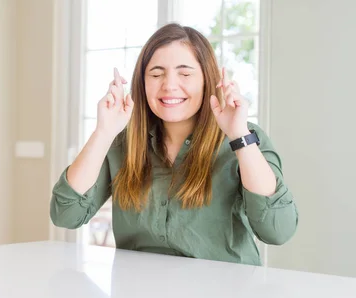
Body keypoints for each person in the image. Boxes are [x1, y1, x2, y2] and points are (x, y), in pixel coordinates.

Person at [50, 23, 298, 265]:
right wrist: (103, 132)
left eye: (185, 73)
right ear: (142, 83)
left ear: (206, 80)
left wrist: (239, 137)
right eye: (156, 74)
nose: (169, 85)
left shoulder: (244, 137)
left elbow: (278, 230)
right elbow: (65, 214)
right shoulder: (123, 143)